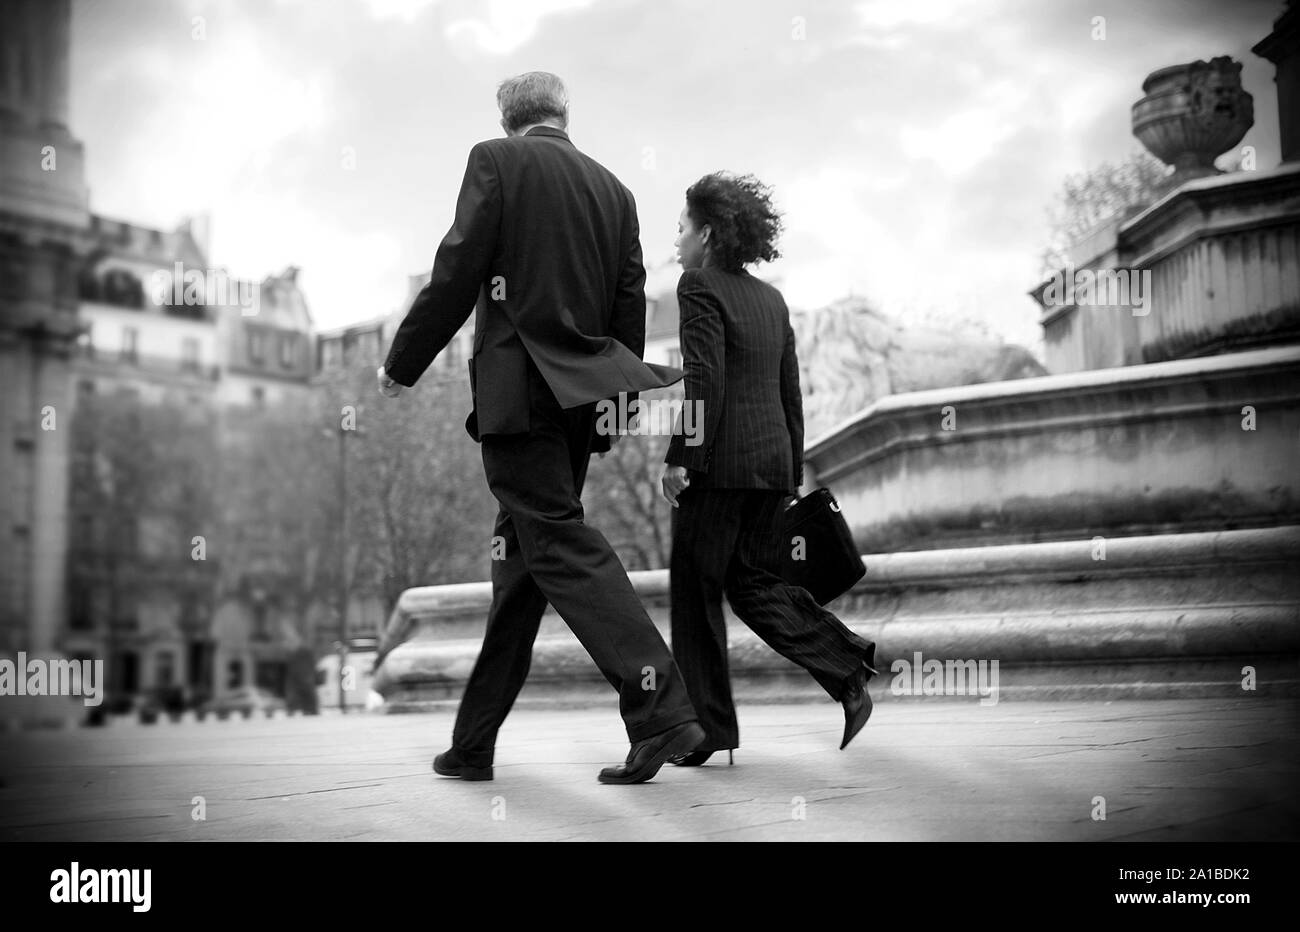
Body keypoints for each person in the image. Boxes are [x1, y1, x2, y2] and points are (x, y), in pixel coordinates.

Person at [378, 72, 704, 784]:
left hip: (518, 392)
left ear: (507, 121)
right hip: (580, 398)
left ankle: (663, 708)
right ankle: (473, 744)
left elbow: (458, 269)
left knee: (554, 542)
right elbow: (629, 309)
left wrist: (404, 362)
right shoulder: (614, 191)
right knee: (522, 567)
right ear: (562, 114)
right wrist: (611, 410)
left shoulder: (495, 162)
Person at [660, 172, 877, 766]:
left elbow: (704, 378)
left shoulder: (696, 285)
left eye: (681, 226)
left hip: (720, 469)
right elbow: (791, 390)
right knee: (752, 584)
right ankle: (847, 668)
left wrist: (684, 457)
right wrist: (793, 467)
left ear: (706, 233)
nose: (675, 238)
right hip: (770, 463)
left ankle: (707, 731)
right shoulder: (772, 299)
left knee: (695, 594)